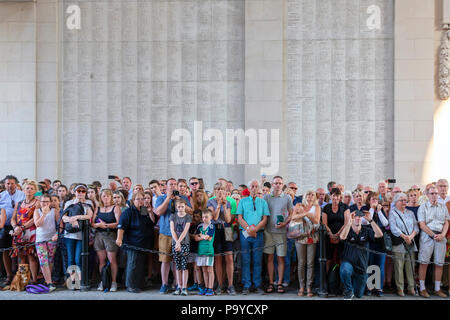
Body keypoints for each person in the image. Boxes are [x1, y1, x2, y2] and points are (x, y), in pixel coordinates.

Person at [155, 178, 192, 294]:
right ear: (166, 187)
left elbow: (191, 211)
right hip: (166, 232)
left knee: (178, 261)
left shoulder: (183, 198)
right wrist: (167, 199)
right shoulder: (161, 198)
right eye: (171, 184)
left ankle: (178, 284)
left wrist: (179, 201)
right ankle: (164, 284)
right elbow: (158, 212)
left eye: (175, 184)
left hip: (181, 235)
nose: (173, 186)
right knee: (165, 260)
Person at [234, 179, 269, 295]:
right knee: (246, 260)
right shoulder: (243, 202)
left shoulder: (263, 202)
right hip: (245, 234)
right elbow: (239, 218)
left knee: (257, 260)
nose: (254, 188)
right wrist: (249, 229)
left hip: (258, 234)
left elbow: (264, 219)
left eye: (256, 186)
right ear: (248, 189)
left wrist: (255, 229)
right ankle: (246, 285)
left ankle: (257, 284)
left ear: (258, 188)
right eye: (252, 186)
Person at [339, 210, 384, 300]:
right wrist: (349, 222)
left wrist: (371, 220)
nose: (357, 218)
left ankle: (353, 290)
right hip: (349, 263)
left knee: (358, 294)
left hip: (362, 267)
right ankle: (348, 291)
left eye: (359, 216)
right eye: (355, 216)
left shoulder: (366, 230)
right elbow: (342, 237)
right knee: (345, 270)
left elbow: (379, 235)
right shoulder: (348, 230)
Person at [116, 191, 155, 293]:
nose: (141, 201)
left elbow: (151, 223)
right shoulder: (128, 212)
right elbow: (121, 226)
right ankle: (131, 286)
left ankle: (138, 284)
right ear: (133, 201)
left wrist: (150, 211)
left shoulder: (143, 210)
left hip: (143, 243)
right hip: (132, 243)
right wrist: (119, 239)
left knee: (140, 265)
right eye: (138, 199)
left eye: (142, 199)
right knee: (132, 265)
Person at [417, 186, 449, 298]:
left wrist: (442, 235)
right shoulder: (423, 207)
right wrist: (433, 235)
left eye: (436, 193)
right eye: (432, 193)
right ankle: (422, 288)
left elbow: (446, 222)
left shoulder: (443, 207)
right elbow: (422, 224)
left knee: (439, 263)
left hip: (441, 236)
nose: (434, 195)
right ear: (427, 195)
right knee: (424, 262)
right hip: (427, 237)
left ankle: (437, 289)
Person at [263, 176, 293, 294]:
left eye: (280, 183)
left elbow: (291, 214)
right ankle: (271, 282)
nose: (278, 185)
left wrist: (285, 223)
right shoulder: (266, 197)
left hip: (281, 233)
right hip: (268, 232)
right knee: (269, 258)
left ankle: (279, 283)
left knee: (281, 258)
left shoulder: (287, 198)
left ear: (282, 184)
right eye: (276, 183)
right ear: (272, 184)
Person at [388, 193, 419, 297]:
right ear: (396, 202)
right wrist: (405, 237)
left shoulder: (410, 213)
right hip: (399, 243)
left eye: (405, 200)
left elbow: (416, 227)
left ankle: (411, 287)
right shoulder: (392, 213)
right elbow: (393, 228)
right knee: (399, 267)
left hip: (410, 243)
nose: (404, 202)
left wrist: (410, 237)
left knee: (411, 267)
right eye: (401, 200)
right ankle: (400, 288)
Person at [207, 183, 235, 295]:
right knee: (218, 258)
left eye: (221, 189)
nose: (219, 191)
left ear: (225, 191)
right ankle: (219, 284)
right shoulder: (210, 201)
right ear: (214, 191)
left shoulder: (228, 202)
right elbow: (214, 217)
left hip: (227, 229)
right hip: (216, 229)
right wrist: (218, 205)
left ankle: (230, 285)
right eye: (217, 189)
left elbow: (228, 220)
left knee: (229, 257)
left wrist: (224, 205)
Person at [92, 189, 122, 292]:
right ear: (101, 197)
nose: (106, 198)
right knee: (101, 261)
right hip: (99, 235)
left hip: (111, 235)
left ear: (111, 197)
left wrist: (107, 225)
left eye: (108, 196)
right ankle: (102, 281)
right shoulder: (97, 208)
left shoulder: (115, 207)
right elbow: (92, 223)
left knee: (112, 259)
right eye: (104, 196)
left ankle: (113, 282)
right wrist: (99, 225)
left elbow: (118, 223)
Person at [11, 180, 40, 284]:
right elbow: (13, 218)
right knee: (21, 256)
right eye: (27, 188)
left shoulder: (37, 203)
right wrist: (15, 227)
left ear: (35, 191)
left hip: (30, 232)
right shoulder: (19, 203)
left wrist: (22, 227)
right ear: (23, 190)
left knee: (31, 256)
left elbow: (34, 219)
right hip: (18, 232)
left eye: (32, 188)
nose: (29, 190)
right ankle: (24, 280)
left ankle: (34, 280)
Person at [292, 190, 320, 297]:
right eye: (308, 194)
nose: (310, 196)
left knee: (310, 263)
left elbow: (317, 220)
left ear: (314, 197)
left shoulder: (316, 207)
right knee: (301, 262)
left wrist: (306, 214)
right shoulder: (299, 205)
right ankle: (301, 286)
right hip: (300, 236)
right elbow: (293, 217)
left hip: (312, 236)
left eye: (312, 194)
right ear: (304, 195)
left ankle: (309, 286)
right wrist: (306, 213)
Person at [361, 192, 389, 297]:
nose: (374, 201)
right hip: (369, 240)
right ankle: (369, 287)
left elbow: (386, 223)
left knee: (380, 266)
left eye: (376, 200)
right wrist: (372, 209)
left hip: (380, 242)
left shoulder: (380, 210)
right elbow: (366, 222)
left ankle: (379, 288)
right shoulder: (365, 208)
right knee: (370, 265)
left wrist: (379, 211)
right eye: (372, 199)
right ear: (368, 200)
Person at [0, 175, 25, 286]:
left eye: (12, 183)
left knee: (19, 250)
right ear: (4, 185)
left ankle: (20, 275)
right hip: (5, 226)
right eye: (7, 183)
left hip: (19, 226)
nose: (10, 185)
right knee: (5, 250)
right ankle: (9, 275)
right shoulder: (1, 196)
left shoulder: (22, 194)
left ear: (16, 184)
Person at [62, 184, 94, 269]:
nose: (80, 193)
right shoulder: (69, 203)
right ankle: (72, 281)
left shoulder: (88, 203)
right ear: (74, 192)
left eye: (83, 191)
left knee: (78, 259)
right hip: (69, 234)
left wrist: (77, 217)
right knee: (71, 259)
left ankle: (80, 280)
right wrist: (72, 220)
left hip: (81, 234)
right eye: (78, 191)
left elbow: (89, 216)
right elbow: (63, 217)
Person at [33, 194, 59, 292]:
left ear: (50, 202)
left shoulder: (55, 211)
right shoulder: (37, 211)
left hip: (52, 239)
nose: (45, 203)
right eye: (43, 201)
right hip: (40, 239)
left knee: (50, 260)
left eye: (47, 201)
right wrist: (43, 214)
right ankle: (49, 283)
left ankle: (48, 280)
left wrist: (57, 234)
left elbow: (59, 225)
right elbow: (37, 224)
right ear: (40, 202)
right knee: (43, 261)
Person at [322, 188, 350, 272]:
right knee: (328, 258)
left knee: (342, 258)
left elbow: (347, 222)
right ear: (330, 196)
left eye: (337, 195)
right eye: (333, 195)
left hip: (342, 236)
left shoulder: (345, 207)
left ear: (340, 196)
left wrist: (338, 234)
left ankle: (342, 281)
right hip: (329, 237)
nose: (335, 198)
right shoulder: (326, 207)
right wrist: (331, 234)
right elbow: (324, 223)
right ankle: (326, 279)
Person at [170, 199, 192, 296]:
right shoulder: (173, 216)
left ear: (185, 207)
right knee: (177, 265)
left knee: (184, 265)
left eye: (182, 206)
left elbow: (185, 230)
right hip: (175, 243)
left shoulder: (188, 217)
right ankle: (178, 286)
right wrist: (176, 242)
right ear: (176, 207)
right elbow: (172, 229)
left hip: (184, 243)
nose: (180, 208)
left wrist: (179, 242)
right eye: (179, 207)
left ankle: (184, 287)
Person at [195, 208, 216, 296]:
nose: (204, 219)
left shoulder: (212, 226)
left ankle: (210, 288)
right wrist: (202, 236)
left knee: (209, 270)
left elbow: (209, 238)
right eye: (203, 217)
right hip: (201, 250)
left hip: (209, 251)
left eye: (206, 217)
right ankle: (206, 287)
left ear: (211, 217)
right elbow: (196, 238)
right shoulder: (199, 226)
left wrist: (201, 235)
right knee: (203, 269)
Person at [187, 209, 203, 292]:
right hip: (192, 247)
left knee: (197, 267)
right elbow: (189, 235)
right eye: (194, 216)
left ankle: (200, 284)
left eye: (197, 217)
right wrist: (192, 236)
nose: (195, 218)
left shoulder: (201, 226)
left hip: (198, 248)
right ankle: (195, 283)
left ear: (201, 217)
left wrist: (191, 236)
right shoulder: (192, 225)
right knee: (194, 267)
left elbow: (197, 237)